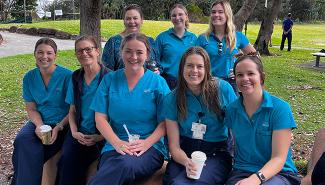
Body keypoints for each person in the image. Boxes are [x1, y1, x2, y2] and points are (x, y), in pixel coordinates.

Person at [87, 32, 170, 185]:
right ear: (121, 53)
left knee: (124, 165)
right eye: (128, 51)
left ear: (147, 55)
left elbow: (166, 122)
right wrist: (117, 142)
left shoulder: (158, 83)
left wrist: (146, 143)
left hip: (149, 148)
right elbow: (100, 118)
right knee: (115, 165)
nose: (134, 57)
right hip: (114, 145)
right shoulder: (110, 80)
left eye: (139, 52)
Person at [163, 46, 237, 185]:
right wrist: (187, 162)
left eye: (199, 66)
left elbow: (238, 126)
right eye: (189, 66)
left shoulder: (223, 89)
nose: (194, 71)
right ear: (182, 68)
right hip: (183, 154)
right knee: (171, 181)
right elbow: (174, 146)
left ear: (207, 69)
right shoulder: (172, 98)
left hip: (216, 153)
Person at [224, 54, 301, 185]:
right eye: (239, 75)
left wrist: (255, 179)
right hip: (242, 171)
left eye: (250, 73)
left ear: (261, 77)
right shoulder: (232, 110)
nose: (245, 79)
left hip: (279, 173)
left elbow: (279, 158)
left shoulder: (280, 108)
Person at [11, 38, 71, 185]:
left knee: (46, 149)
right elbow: (31, 108)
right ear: (34, 54)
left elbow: (73, 109)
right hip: (40, 123)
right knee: (22, 141)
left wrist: (59, 127)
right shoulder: (29, 77)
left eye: (49, 53)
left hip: (63, 124)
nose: (44, 56)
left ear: (55, 55)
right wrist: (38, 125)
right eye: (40, 52)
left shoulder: (67, 76)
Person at [56, 36, 111, 185]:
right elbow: (72, 110)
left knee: (97, 172)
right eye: (80, 51)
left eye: (88, 49)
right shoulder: (75, 77)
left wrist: (99, 137)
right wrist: (74, 132)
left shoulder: (110, 78)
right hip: (79, 133)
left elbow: (117, 114)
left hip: (104, 137)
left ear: (97, 51)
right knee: (66, 164)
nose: (84, 53)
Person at [196, 0, 256, 91]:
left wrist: (241, 71)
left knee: (232, 105)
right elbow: (193, 61)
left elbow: (255, 56)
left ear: (227, 15)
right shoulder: (202, 38)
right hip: (208, 83)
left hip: (231, 84)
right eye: (213, 12)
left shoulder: (238, 37)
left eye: (220, 12)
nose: (216, 15)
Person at [102, 4, 160, 73]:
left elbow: (158, 64)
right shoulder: (113, 42)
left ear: (141, 20)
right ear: (124, 21)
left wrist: (158, 71)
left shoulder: (150, 41)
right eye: (128, 18)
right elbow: (106, 70)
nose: (132, 22)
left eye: (135, 18)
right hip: (121, 82)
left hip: (148, 82)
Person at [156, 4, 197, 89]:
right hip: (167, 81)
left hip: (188, 81)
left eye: (180, 14)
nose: (177, 18)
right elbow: (156, 59)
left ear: (186, 16)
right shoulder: (162, 37)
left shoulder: (193, 38)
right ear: (170, 18)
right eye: (174, 15)